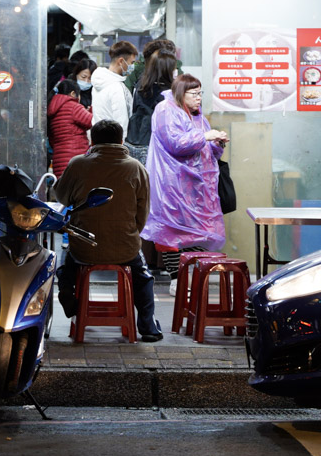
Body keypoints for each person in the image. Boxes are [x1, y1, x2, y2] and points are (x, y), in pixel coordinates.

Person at [53, 119, 163, 343]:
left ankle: (67, 290)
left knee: (66, 263)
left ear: (92, 141)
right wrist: (130, 235)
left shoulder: (78, 164)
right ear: (121, 141)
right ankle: (148, 326)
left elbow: (61, 197)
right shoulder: (136, 168)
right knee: (143, 277)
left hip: (83, 248)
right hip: (125, 248)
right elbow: (142, 214)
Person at [142, 73, 229, 253]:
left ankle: (193, 276)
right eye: (194, 94)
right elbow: (175, 143)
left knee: (199, 233)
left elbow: (207, 152)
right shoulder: (165, 110)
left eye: (200, 93)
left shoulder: (198, 116)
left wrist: (217, 144)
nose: (199, 98)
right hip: (175, 184)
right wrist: (205, 136)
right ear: (182, 93)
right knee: (173, 234)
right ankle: (177, 279)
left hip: (198, 186)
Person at [126, 50, 178, 165]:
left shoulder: (141, 84)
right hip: (154, 145)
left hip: (134, 140)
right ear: (167, 69)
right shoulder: (166, 92)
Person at [90, 40, 137, 136]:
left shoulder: (98, 82)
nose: (132, 66)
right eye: (131, 62)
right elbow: (122, 123)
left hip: (99, 138)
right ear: (121, 61)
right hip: (114, 143)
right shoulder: (117, 88)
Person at [46, 79, 93, 175]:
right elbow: (91, 121)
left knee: (63, 188)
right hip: (75, 158)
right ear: (73, 93)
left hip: (59, 160)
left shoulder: (52, 109)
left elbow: (51, 139)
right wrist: (91, 110)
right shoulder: (73, 106)